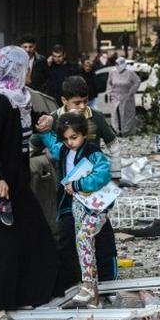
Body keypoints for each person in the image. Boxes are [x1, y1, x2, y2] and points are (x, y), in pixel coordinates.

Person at [0, 45, 65, 320]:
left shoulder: (19, 97)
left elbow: (28, 121)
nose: (29, 71)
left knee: (33, 233)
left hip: (16, 180)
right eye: (25, 67)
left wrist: (45, 121)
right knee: (4, 244)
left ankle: (29, 294)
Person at [32, 76, 121, 285]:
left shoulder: (94, 138)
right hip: (68, 194)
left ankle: (106, 281)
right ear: (64, 101)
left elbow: (110, 154)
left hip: (94, 193)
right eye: (76, 103)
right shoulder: (55, 126)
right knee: (69, 236)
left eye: (85, 101)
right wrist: (44, 130)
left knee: (100, 235)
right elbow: (40, 143)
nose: (82, 107)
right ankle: (73, 283)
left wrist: (116, 178)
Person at [37, 112, 111, 306]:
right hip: (76, 205)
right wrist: (45, 130)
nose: (70, 142)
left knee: (83, 238)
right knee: (84, 245)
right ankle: (93, 294)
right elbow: (51, 144)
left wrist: (78, 184)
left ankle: (87, 285)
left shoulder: (93, 152)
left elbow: (103, 175)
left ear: (84, 134)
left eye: (74, 137)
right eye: (66, 138)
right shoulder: (63, 150)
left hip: (96, 207)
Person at [108, 57, 141, 136]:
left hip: (126, 97)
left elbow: (137, 81)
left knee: (127, 114)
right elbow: (109, 84)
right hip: (115, 96)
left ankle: (127, 132)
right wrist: (110, 93)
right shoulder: (112, 72)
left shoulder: (130, 73)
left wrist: (131, 91)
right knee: (116, 114)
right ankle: (117, 131)